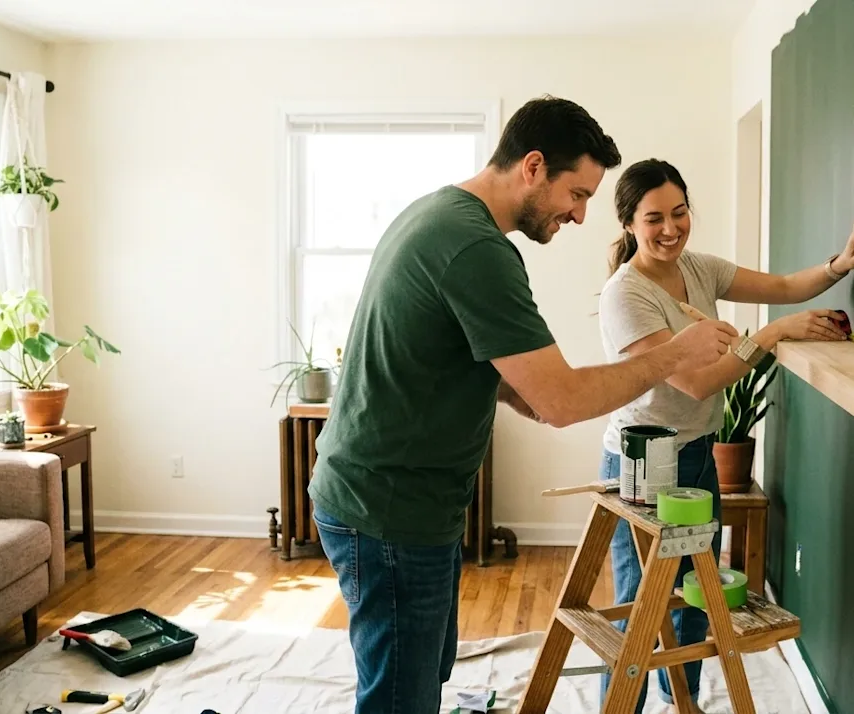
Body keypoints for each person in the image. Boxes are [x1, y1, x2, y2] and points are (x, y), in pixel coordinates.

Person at [306, 98, 740, 714]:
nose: (582, 215)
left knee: (420, 673)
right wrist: (675, 351)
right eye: (578, 194)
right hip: (390, 511)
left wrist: (525, 392)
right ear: (533, 167)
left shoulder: (438, 213)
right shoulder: (476, 248)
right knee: (399, 696)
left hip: (388, 500)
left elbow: (469, 355)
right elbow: (562, 401)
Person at [596, 158, 854, 712]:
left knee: (696, 593)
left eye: (679, 213)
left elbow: (786, 285)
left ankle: (684, 702)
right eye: (654, 219)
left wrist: (839, 265)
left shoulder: (699, 268)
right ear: (628, 224)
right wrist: (769, 334)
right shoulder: (626, 296)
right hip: (644, 464)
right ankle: (618, 706)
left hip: (696, 453)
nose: (670, 229)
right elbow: (696, 384)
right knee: (640, 604)